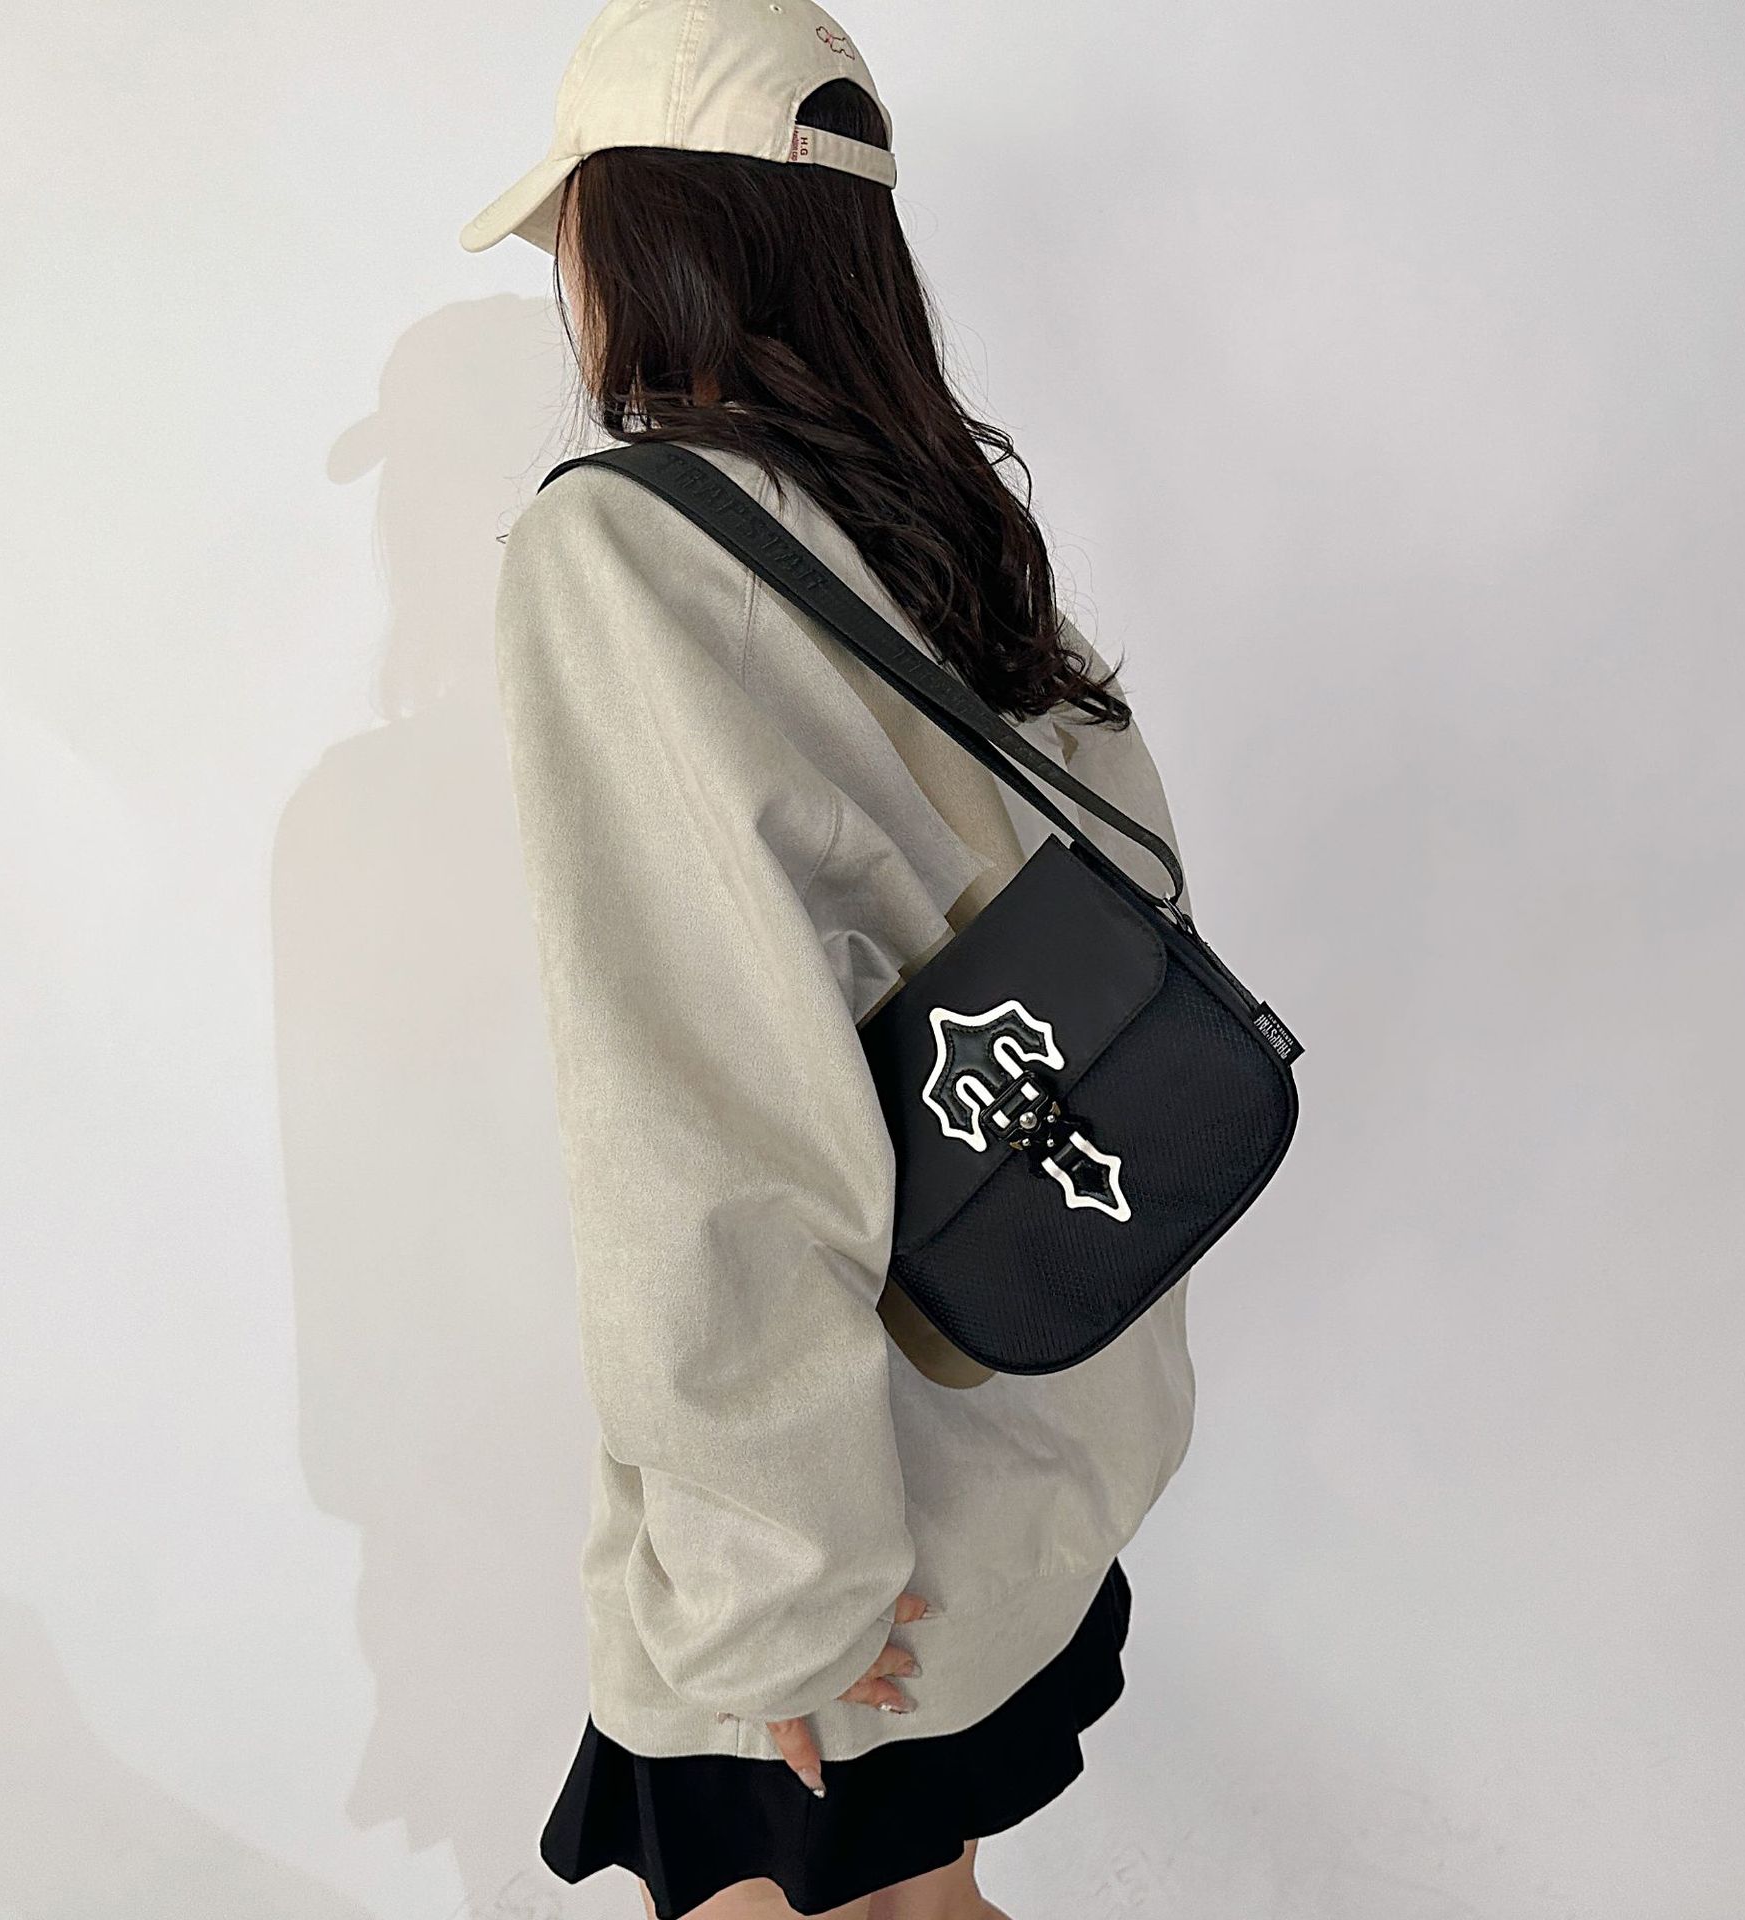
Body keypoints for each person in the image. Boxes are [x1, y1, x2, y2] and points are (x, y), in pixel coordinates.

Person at [461, 2, 1201, 1914]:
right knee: (932, 1902)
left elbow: (708, 1107)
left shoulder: (625, 552)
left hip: (845, 1516)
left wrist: (774, 1585)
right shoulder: (957, 532)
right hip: (1033, 1418)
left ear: (642, 237)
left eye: (570, 239)